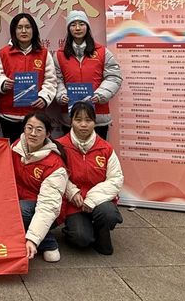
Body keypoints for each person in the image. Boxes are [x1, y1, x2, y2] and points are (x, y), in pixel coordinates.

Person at [57, 101, 124, 255]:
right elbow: (57, 176)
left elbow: (116, 179)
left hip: (99, 200)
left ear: (95, 122)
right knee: (81, 239)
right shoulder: (60, 146)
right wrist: (72, 192)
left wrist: (92, 199)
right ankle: (78, 230)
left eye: (88, 120)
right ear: (71, 121)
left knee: (109, 214)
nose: (83, 124)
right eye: (78, 120)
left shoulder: (105, 148)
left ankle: (101, 230)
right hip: (74, 203)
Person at [51, 10, 122, 140]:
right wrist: (61, 94)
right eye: (73, 25)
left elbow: (114, 77)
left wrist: (100, 95)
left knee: (97, 151)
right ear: (68, 29)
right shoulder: (60, 54)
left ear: (87, 27)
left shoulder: (102, 52)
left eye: (81, 24)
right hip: (70, 117)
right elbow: (56, 79)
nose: (77, 28)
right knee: (70, 151)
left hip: (98, 116)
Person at [11, 112, 67, 263]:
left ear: (48, 133)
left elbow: (48, 206)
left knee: (19, 210)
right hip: (19, 201)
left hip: (46, 209)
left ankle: (48, 242)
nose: (33, 133)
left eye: (39, 130)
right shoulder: (15, 147)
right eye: (29, 128)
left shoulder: (55, 165)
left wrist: (33, 240)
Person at [0, 13, 57, 142]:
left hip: (35, 116)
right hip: (9, 114)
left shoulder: (43, 53)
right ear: (14, 31)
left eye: (27, 27)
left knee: (36, 150)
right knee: (12, 150)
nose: (24, 31)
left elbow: (51, 80)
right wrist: (3, 83)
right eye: (19, 27)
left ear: (33, 30)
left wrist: (44, 98)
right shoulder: (4, 53)